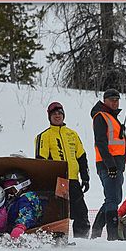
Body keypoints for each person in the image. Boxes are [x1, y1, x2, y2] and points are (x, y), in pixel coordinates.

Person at [90, 88, 126, 241]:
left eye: (117, 99)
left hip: (116, 165)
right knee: (113, 199)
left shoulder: (112, 118)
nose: (115, 102)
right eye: (112, 99)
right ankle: (112, 236)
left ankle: (97, 231)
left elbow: (117, 145)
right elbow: (100, 143)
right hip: (108, 165)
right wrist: (110, 165)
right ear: (104, 100)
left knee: (113, 198)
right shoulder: (101, 117)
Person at [35, 101, 91, 238]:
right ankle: (57, 241)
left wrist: (85, 177)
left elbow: (82, 157)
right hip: (57, 181)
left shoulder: (72, 134)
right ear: (49, 117)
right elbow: (40, 161)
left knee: (81, 213)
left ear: (64, 115)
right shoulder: (44, 136)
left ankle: (82, 241)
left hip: (73, 180)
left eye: (59, 113)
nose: (57, 116)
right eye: (54, 114)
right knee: (58, 214)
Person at [0, 169, 44, 239]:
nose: (10, 193)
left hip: (25, 230)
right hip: (9, 229)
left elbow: (27, 214)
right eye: (8, 191)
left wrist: (20, 226)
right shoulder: (13, 199)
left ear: (23, 186)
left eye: (12, 190)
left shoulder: (26, 199)